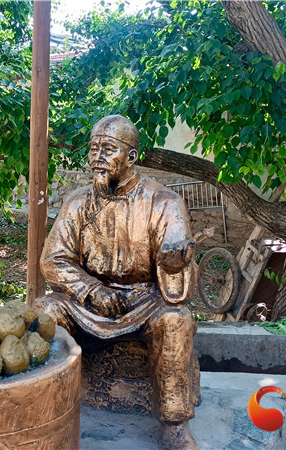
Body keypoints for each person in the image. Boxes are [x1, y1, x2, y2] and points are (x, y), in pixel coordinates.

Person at [32, 115, 200, 448]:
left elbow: (178, 276)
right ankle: (46, 410)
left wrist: (174, 264)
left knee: (175, 319)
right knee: (44, 311)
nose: (97, 157)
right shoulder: (78, 202)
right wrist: (91, 290)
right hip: (87, 303)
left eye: (108, 149)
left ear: (131, 156)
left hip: (144, 302)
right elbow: (53, 260)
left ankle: (174, 425)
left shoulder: (165, 203)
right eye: (93, 149)